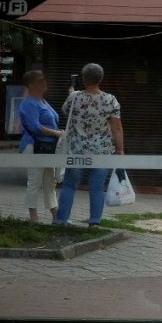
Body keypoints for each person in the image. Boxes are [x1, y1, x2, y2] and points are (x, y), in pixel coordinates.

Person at [54, 64, 123, 227]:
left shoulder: (75, 97)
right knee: (97, 187)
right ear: (101, 78)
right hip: (102, 152)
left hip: (77, 150)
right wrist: (120, 150)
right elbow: (117, 128)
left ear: (84, 79)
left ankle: (62, 220)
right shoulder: (110, 100)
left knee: (70, 185)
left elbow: (65, 110)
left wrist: (71, 93)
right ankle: (94, 222)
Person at [17, 70, 63, 222]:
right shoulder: (29, 103)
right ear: (30, 85)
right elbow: (35, 126)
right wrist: (56, 133)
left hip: (47, 147)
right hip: (34, 146)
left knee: (50, 182)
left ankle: (56, 216)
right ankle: (33, 216)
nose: (44, 82)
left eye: (44, 79)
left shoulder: (43, 101)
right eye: (39, 80)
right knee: (35, 180)